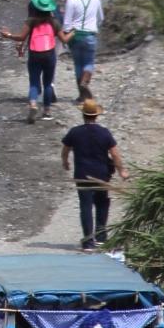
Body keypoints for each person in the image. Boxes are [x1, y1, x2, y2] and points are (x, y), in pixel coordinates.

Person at [61, 97, 128, 250]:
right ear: (96, 115)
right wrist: (121, 171)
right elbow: (115, 154)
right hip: (101, 175)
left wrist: (65, 162)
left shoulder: (75, 132)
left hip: (82, 174)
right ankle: (101, 237)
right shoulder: (104, 133)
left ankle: (88, 242)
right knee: (102, 203)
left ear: (83, 115)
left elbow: (65, 149)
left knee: (85, 206)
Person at [3, 0, 62, 122]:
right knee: (48, 83)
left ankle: (33, 104)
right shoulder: (54, 22)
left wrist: (8, 35)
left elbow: (21, 37)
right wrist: (73, 32)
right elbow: (63, 39)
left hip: (35, 53)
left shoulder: (31, 21)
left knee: (34, 82)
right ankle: (47, 111)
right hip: (49, 53)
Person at [61, 0, 104, 95]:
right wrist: (94, 27)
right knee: (89, 62)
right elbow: (101, 18)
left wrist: (65, 37)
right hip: (90, 35)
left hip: (75, 36)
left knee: (78, 64)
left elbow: (67, 23)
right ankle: (85, 82)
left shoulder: (71, 0)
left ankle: (81, 94)